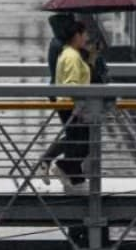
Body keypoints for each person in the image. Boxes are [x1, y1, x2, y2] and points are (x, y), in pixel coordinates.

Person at [35, 13, 76, 184]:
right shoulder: (62, 46)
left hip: (60, 95)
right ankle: (52, 163)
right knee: (77, 135)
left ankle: (66, 169)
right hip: (64, 96)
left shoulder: (57, 43)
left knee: (76, 134)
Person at [52, 20, 91, 195]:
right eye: (84, 34)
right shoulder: (72, 57)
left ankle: (76, 179)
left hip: (68, 105)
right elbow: (72, 84)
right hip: (72, 106)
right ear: (77, 36)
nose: (86, 38)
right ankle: (66, 168)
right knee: (83, 142)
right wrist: (79, 106)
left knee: (78, 142)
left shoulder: (69, 53)